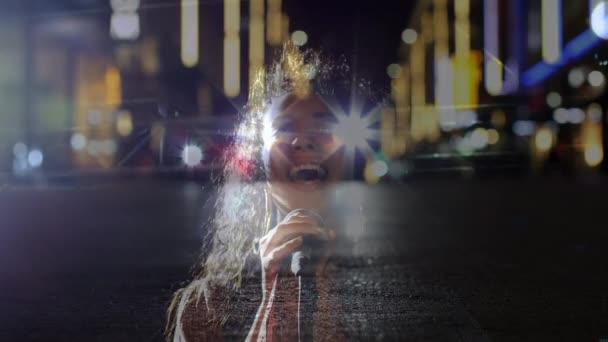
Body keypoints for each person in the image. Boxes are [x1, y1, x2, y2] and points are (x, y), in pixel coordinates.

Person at [166, 45, 365, 341]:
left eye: (323, 124)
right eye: (284, 127)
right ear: (259, 157)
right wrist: (273, 298)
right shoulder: (205, 307)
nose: (303, 140)